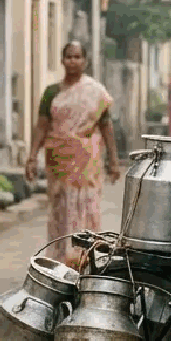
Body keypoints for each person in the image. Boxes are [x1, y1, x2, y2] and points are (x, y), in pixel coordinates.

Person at [25, 41, 122, 261]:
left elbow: (106, 126)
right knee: (60, 208)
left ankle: (84, 257)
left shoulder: (95, 92)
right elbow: (42, 126)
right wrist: (31, 157)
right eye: (69, 56)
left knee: (86, 206)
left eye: (77, 57)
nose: (73, 61)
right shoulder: (51, 93)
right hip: (59, 160)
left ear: (85, 61)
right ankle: (60, 257)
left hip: (87, 159)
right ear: (62, 60)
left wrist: (113, 161)